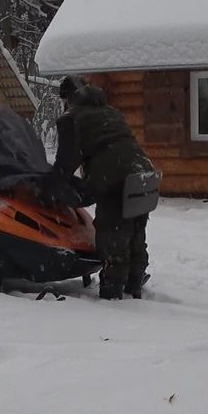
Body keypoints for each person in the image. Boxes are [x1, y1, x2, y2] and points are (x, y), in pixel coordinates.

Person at [55, 77, 155, 299]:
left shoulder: (72, 119)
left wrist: (49, 184)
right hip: (144, 173)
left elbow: (66, 162)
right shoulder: (110, 112)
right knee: (136, 234)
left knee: (113, 235)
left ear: (68, 98)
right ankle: (134, 285)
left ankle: (112, 295)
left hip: (115, 177)